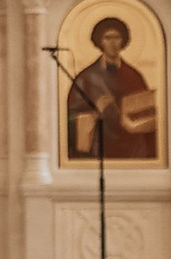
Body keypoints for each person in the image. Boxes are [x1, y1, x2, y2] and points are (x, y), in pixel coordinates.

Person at [66, 13, 158, 159]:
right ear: (100, 41)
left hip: (132, 146)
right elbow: (69, 118)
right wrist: (96, 110)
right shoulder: (87, 77)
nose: (112, 43)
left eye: (117, 37)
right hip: (101, 145)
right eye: (107, 38)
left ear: (123, 40)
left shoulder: (134, 75)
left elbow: (148, 111)